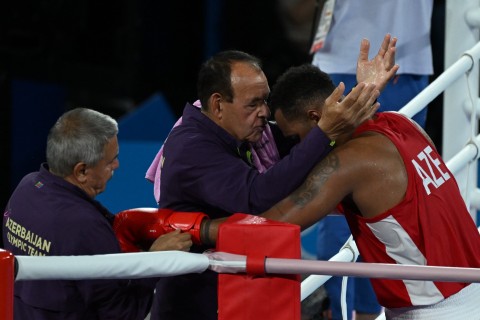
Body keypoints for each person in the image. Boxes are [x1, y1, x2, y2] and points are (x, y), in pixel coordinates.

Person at [204, 64, 480, 318]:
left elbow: (274, 224)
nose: (299, 149)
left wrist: (195, 227)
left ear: (316, 119)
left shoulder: (347, 164)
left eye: (296, 138)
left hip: (435, 310)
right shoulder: (402, 123)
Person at [148, 38, 398, 319]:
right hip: (198, 304)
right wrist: (324, 133)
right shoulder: (191, 148)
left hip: (242, 291)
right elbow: (257, 198)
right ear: (218, 105)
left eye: (265, 100)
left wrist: (365, 93)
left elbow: (310, 138)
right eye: (254, 103)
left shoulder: (250, 131)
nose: (265, 112)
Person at [2, 108, 193, 320]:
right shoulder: (84, 225)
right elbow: (125, 313)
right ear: (81, 171)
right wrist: (155, 262)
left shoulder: (26, 186)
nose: (117, 165)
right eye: (110, 161)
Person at [310, 1, 434, 318]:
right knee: (337, 202)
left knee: (392, 203)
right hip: (341, 54)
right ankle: (341, 312)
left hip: (408, 60)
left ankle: (372, 311)